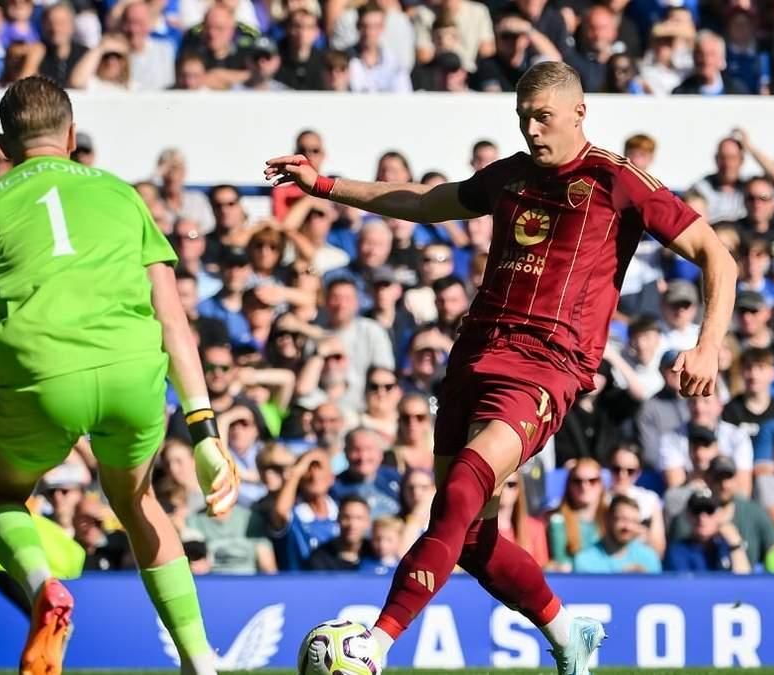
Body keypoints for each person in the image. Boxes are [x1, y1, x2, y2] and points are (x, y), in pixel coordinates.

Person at [265, 61, 736, 674]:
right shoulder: (510, 175)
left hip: (546, 366)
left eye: (543, 117)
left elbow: (717, 255)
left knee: (462, 490)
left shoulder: (615, 180)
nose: (532, 130)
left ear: (579, 112)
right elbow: (427, 201)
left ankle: (374, 645)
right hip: (474, 355)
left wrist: (708, 345)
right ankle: (567, 632)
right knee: (467, 535)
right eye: (522, 118)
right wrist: (327, 186)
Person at [0, 77, 239, 675]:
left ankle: (43, 588)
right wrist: (204, 429)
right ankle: (200, 659)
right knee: (137, 501)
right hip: (131, 375)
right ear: (71, 136)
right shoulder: (122, 194)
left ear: (4, 146)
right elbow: (173, 317)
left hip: (40, 377)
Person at [571, 495, 661, 573]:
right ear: (607, 519)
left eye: (634, 521)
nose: (628, 527)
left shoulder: (648, 558)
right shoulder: (584, 561)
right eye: (622, 519)